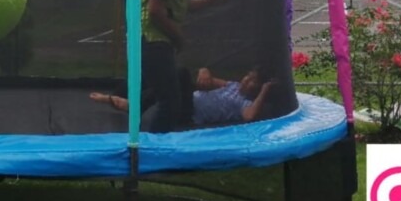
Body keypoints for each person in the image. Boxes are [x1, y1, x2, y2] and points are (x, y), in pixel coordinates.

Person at [139, 0, 229, 131]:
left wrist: (210, 0)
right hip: (152, 40)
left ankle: (157, 134)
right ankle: (150, 143)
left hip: (160, 42)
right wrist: (178, 36)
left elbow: (180, 4)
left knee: (173, 94)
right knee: (169, 102)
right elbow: (155, 11)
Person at [91, 68, 276, 126]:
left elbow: (249, 116)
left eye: (253, 80)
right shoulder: (232, 85)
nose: (246, 80)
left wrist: (265, 90)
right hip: (186, 100)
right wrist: (204, 71)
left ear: (258, 88)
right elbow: (208, 79)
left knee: (181, 74)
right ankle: (121, 95)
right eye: (248, 75)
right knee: (158, 72)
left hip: (189, 114)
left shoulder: (245, 103)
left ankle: (135, 106)